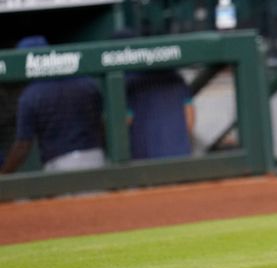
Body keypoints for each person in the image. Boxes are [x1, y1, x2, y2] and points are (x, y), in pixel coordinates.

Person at [0, 36, 106, 173]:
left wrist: (3, 175)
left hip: (60, 165)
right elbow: (102, 125)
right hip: (96, 157)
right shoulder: (86, 82)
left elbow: (22, 146)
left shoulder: (31, 94)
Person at [111, 29, 195, 160]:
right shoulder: (175, 76)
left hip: (146, 161)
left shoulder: (127, 82)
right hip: (180, 155)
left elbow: (123, 124)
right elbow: (189, 117)